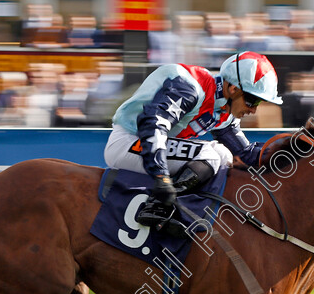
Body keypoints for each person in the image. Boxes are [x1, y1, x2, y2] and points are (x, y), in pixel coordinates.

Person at [104, 51, 283, 228]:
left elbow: (246, 154)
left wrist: (291, 153)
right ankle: (157, 207)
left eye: (258, 103)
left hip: (148, 148)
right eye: (252, 101)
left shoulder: (225, 112)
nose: (253, 110)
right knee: (212, 155)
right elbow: (152, 124)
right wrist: (161, 176)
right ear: (233, 88)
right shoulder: (189, 87)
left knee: (223, 156)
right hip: (128, 142)